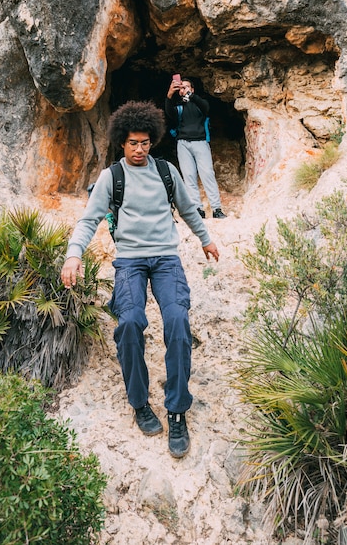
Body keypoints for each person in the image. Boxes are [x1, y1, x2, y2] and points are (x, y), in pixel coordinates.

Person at [61, 100, 219, 459]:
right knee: (130, 322)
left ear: (153, 141)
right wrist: (74, 254)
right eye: (133, 143)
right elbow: (89, 220)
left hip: (166, 258)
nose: (140, 149)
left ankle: (177, 409)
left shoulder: (166, 171)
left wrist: (205, 239)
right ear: (121, 142)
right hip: (130, 260)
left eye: (145, 142)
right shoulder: (110, 177)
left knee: (178, 321)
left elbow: (187, 208)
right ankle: (139, 403)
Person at [165, 77, 226, 219]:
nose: (183, 89)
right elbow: (169, 113)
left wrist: (191, 96)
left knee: (207, 174)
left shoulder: (198, 103)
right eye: (181, 88)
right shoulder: (178, 106)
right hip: (183, 143)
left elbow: (206, 108)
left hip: (200, 142)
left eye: (186, 87)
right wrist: (169, 94)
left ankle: (216, 209)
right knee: (189, 176)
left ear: (192, 89)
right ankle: (197, 209)